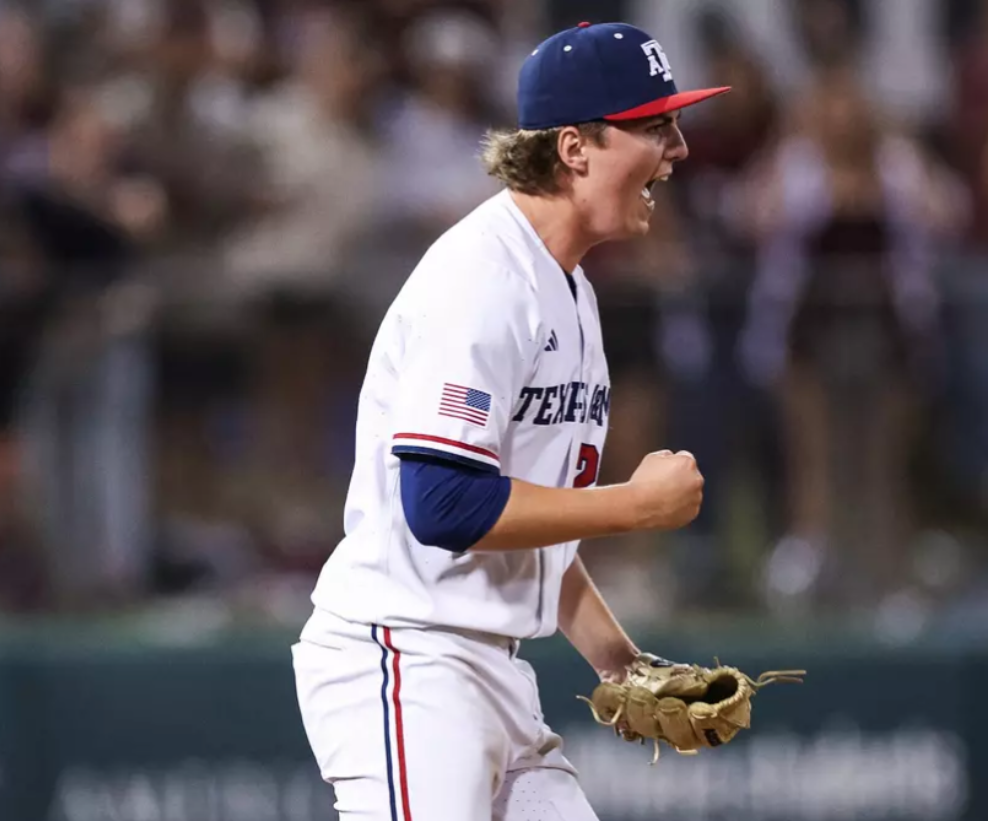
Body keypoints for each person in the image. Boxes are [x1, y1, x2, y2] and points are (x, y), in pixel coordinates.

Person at [292, 21, 728, 820]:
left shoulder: (569, 289)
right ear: (574, 148)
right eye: (654, 125)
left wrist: (617, 662)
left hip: (487, 669)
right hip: (404, 657)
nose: (679, 148)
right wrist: (634, 505)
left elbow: (535, 529)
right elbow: (444, 504)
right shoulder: (480, 281)